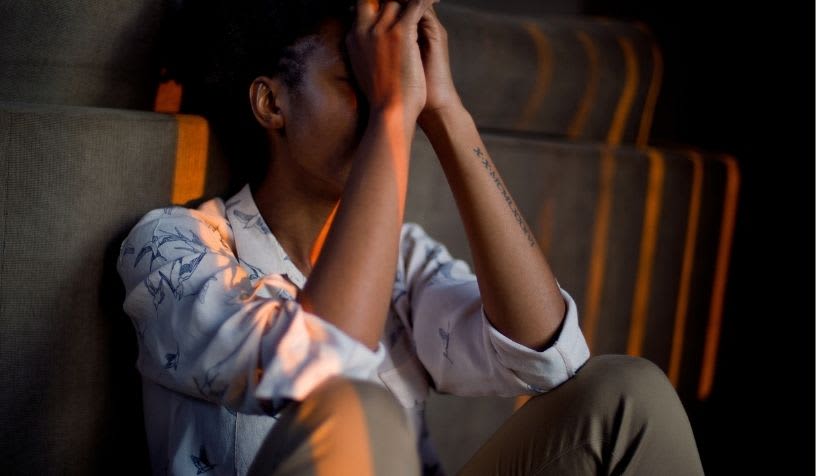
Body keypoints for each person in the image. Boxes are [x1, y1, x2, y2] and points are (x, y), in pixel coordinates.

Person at [118, 0, 705, 474]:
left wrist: (446, 111)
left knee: (628, 393)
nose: (386, 101)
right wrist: (395, 113)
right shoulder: (173, 248)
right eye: (360, 83)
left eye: (397, 84)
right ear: (272, 103)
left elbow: (552, 358)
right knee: (357, 407)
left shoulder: (405, 256)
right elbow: (330, 369)